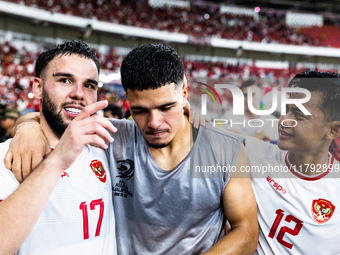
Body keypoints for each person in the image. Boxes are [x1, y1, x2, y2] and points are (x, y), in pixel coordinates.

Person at [6, 43, 258, 254]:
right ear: (127, 101)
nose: (154, 123)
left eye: (166, 107)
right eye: (140, 110)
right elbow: (58, 122)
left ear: (184, 93)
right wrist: (27, 127)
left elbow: (246, 232)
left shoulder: (226, 150)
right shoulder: (112, 137)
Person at [0, 40, 117, 254]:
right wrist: (56, 161)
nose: (78, 94)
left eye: (89, 85)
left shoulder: (109, 145)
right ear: (38, 88)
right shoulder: (7, 157)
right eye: (65, 80)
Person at [245, 71, 340, 254]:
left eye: (298, 115)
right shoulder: (252, 154)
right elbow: (201, 136)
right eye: (286, 110)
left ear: (333, 130)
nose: (284, 120)